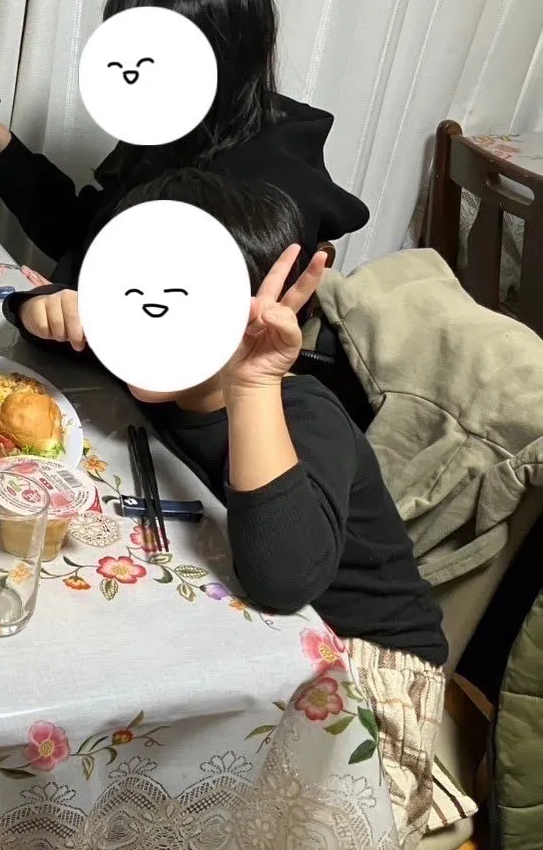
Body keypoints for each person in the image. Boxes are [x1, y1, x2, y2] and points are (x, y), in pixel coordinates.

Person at [104, 169, 446, 848]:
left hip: (362, 672)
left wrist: (254, 383)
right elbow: (54, 330)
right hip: (239, 629)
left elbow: (282, 581)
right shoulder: (160, 374)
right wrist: (43, 308)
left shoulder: (302, 413)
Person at [0, 0, 370, 354]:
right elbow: (88, 236)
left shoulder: (265, 188)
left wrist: (42, 304)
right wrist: (7, 157)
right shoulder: (175, 129)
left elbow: (169, 338)